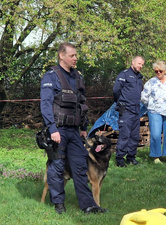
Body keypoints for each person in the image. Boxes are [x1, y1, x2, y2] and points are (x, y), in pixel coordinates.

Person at [40, 42, 103, 214]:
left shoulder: (77, 77)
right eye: (72, 55)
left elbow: (82, 103)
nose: (75, 58)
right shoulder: (51, 76)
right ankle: (58, 204)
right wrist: (52, 129)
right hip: (58, 130)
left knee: (80, 166)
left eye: (76, 55)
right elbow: (45, 105)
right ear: (62, 55)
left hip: (74, 131)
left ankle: (88, 205)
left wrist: (84, 127)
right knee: (57, 166)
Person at [141, 60, 166, 164]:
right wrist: (150, 105)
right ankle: (156, 157)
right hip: (154, 111)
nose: (158, 73)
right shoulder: (150, 82)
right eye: (156, 71)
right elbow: (144, 97)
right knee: (155, 134)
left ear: (165, 71)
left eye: (160, 71)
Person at [113, 56, 145, 167]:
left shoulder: (140, 77)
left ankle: (131, 157)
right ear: (133, 62)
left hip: (136, 110)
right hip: (126, 110)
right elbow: (116, 91)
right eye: (139, 63)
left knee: (134, 136)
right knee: (124, 135)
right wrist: (121, 102)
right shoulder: (124, 74)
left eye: (142, 64)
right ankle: (120, 159)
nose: (140, 66)